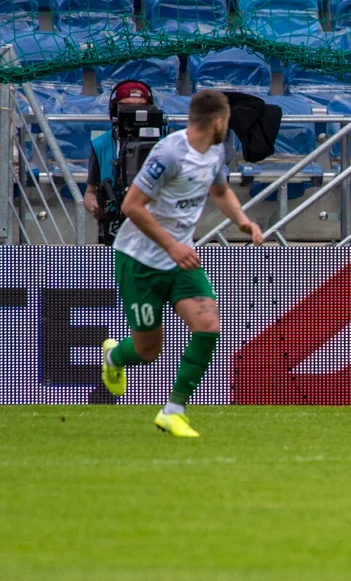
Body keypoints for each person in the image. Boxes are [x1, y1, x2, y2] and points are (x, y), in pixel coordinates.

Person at [99, 89, 264, 438]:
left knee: (208, 326)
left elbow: (219, 191)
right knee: (148, 351)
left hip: (180, 259)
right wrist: (172, 246)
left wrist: (242, 220)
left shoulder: (215, 151)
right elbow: (131, 206)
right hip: (140, 259)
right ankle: (114, 357)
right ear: (219, 122)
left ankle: (173, 411)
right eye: (228, 119)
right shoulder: (169, 154)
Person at [83, 81, 155, 221]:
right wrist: (94, 205)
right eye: (126, 107)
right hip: (114, 221)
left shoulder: (166, 142)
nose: (133, 112)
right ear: (115, 109)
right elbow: (90, 192)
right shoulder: (101, 144)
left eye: (139, 107)